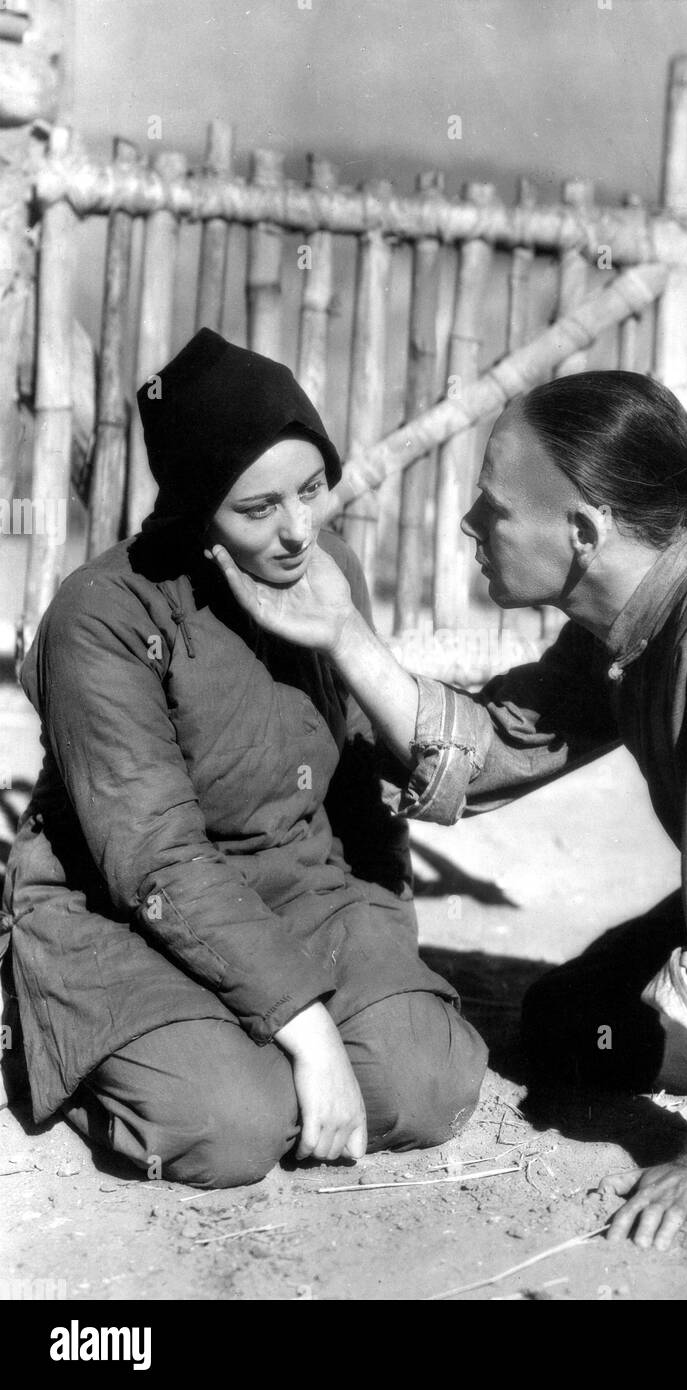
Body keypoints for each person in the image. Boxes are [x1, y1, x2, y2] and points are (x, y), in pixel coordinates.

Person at [210, 369, 687, 1250]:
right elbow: (493, 746)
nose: (470, 524)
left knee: (627, 1033)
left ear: (582, 531)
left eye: (493, 508)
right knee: (564, 1026)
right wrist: (345, 633)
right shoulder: (630, 625)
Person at [1, 328, 487, 1188]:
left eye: (311, 490)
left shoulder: (327, 572)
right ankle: (77, 1047)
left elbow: (363, 791)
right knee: (231, 1128)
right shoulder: (103, 618)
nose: (299, 530)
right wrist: (307, 1023)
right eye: (259, 509)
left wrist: (380, 939)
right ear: (195, 507)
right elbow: (152, 858)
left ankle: (255, 1050)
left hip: (300, 893)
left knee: (429, 1082)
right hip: (128, 917)